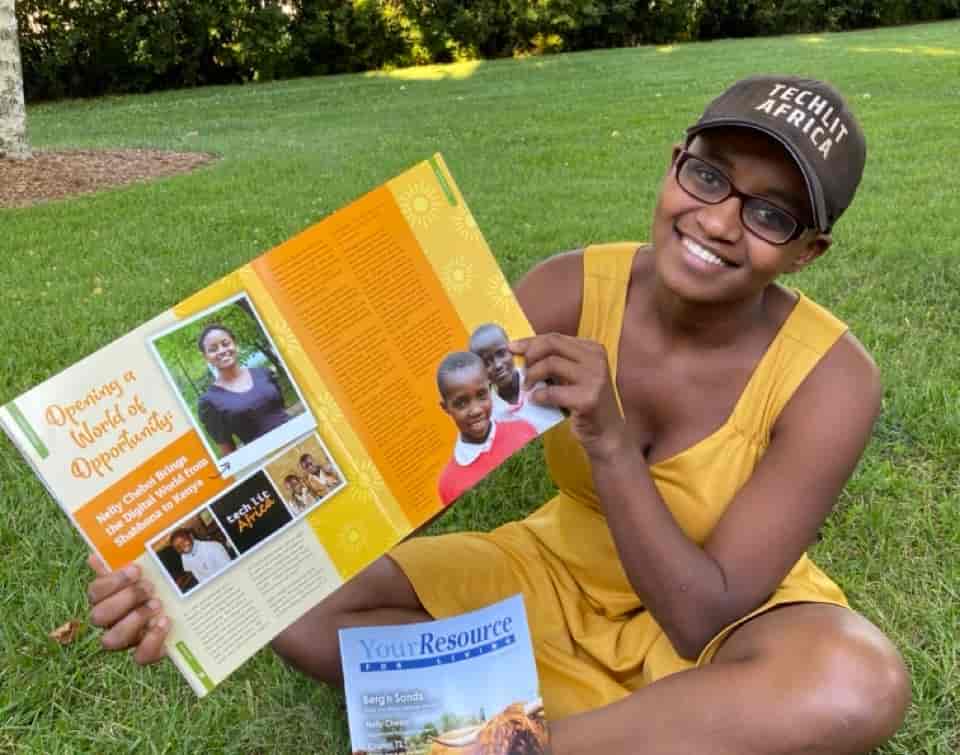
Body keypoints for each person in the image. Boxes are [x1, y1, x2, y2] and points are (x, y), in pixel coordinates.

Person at [87, 75, 910, 755]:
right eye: (708, 175)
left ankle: (523, 743)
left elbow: (702, 616)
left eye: (770, 215)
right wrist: (175, 572)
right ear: (673, 165)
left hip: (720, 623)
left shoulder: (833, 378)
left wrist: (612, 443)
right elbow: (376, 455)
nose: (720, 220)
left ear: (807, 252)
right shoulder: (568, 288)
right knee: (296, 606)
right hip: (550, 575)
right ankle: (637, 734)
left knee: (857, 681)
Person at [435, 351, 539, 506]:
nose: (476, 410)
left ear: (490, 389)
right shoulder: (449, 483)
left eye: (481, 395)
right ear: (446, 408)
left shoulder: (524, 430)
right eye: (461, 403)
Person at [196, 324, 292, 456]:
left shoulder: (263, 373)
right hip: (268, 458)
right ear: (206, 357)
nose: (222, 351)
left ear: (235, 344)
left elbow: (281, 410)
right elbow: (228, 451)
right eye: (213, 349)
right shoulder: (209, 402)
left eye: (225, 343)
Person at [469, 322, 564, 433]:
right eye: (486, 363)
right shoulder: (491, 414)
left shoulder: (541, 377)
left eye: (501, 353)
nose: (498, 365)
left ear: (512, 349)